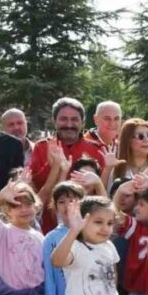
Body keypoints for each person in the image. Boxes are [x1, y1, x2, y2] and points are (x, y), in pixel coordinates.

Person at [29, 98, 104, 230]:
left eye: (74, 119)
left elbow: (103, 190)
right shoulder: (42, 148)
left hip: (87, 227)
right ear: (54, 120)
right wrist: (52, 166)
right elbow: (35, 188)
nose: (69, 124)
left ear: (83, 122)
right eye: (63, 119)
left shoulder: (97, 150)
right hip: (50, 227)